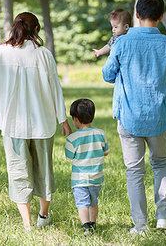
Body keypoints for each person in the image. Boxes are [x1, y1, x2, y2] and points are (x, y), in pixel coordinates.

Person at [0, 12, 72, 229]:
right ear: (36, 30)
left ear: (14, 28)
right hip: (43, 123)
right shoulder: (44, 55)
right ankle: (43, 218)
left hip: (12, 124)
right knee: (44, 171)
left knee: (19, 172)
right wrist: (63, 119)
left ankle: (27, 225)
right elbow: (56, 88)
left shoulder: (0, 53)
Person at [102, 0, 166, 235]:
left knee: (135, 171)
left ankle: (140, 225)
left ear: (136, 14)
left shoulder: (122, 43)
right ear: (161, 16)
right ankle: (163, 219)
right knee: (161, 164)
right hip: (159, 116)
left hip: (130, 117)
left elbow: (107, 75)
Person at [65, 99, 109, 234]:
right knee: (93, 202)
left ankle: (86, 226)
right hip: (96, 178)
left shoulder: (73, 138)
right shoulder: (100, 133)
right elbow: (106, 152)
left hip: (80, 180)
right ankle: (93, 224)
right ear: (93, 117)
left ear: (75, 119)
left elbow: (69, 156)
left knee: (82, 204)